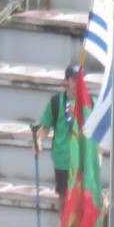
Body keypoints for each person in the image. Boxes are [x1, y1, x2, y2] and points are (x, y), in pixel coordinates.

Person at [34, 69, 81, 198]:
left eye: (81, 79)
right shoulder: (55, 102)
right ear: (66, 81)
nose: (78, 83)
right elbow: (45, 128)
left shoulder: (90, 102)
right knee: (64, 198)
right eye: (74, 80)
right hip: (63, 158)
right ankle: (63, 220)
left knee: (82, 199)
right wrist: (38, 141)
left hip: (83, 158)